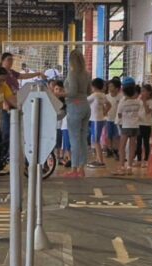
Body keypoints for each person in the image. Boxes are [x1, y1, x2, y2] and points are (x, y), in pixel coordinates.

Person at [0, 52, 43, 149]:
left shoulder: (11, 72)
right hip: (6, 105)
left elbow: (23, 76)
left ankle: (13, 150)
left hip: (16, 103)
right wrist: (4, 102)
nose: (11, 62)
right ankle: (4, 151)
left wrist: (37, 73)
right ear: (2, 61)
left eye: (12, 60)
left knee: (16, 129)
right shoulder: (0, 73)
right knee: (7, 130)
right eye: (8, 60)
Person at [63, 50, 91, 178]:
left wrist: (60, 94)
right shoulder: (87, 74)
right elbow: (89, 91)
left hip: (75, 106)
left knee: (74, 138)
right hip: (85, 106)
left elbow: (73, 92)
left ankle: (74, 168)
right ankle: (81, 168)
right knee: (83, 138)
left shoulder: (72, 73)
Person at [115, 77, 143, 176]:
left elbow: (119, 115)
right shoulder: (138, 102)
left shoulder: (123, 102)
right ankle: (129, 167)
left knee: (122, 147)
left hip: (126, 126)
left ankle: (122, 167)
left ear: (123, 91)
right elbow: (140, 113)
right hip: (135, 126)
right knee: (132, 146)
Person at [87, 78, 110, 168]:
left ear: (94, 86)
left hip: (95, 120)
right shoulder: (103, 95)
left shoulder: (94, 95)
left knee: (96, 141)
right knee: (95, 140)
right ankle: (98, 159)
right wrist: (104, 112)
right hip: (100, 119)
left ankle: (100, 161)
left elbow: (84, 101)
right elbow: (109, 105)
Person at [135, 84, 152, 166]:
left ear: (149, 92)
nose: (142, 93)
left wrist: (144, 101)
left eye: (144, 91)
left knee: (146, 142)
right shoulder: (139, 99)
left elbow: (147, 111)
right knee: (138, 142)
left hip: (146, 124)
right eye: (141, 91)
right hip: (139, 123)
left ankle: (146, 159)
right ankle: (139, 160)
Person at [104, 77, 122, 160]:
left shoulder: (121, 97)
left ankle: (116, 150)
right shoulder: (106, 96)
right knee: (109, 135)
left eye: (111, 86)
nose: (109, 88)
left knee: (116, 136)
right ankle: (109, 149)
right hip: (108, 119)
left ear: (117, 88)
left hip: (118, 121)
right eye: (109, 86)